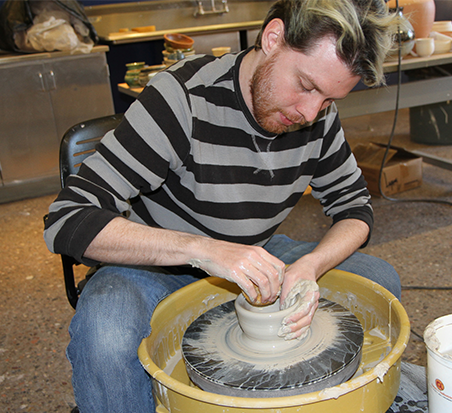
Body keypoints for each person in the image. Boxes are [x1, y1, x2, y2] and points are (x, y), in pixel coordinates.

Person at [44, 0, 400, 411]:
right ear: (272, 39)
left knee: (378, 280)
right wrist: (204, 250)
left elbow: (355, 209)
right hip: (156, 267)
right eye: (306, 85)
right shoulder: (182, 99)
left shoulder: (317, 117)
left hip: (255, 253)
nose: (309, 113)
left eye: (327, 99)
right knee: (106, 328)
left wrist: (311, 266)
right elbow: (67, 219)